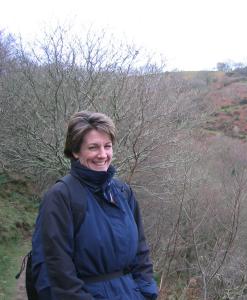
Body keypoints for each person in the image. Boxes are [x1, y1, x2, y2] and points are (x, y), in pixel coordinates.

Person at [31, 111, 158, 300]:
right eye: (93, 147)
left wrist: (147, 292)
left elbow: (141, 252)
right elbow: (56, 271)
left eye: (107, 146)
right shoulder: (61, 197)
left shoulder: (123, 192)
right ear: (75, 151)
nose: (102, 155)